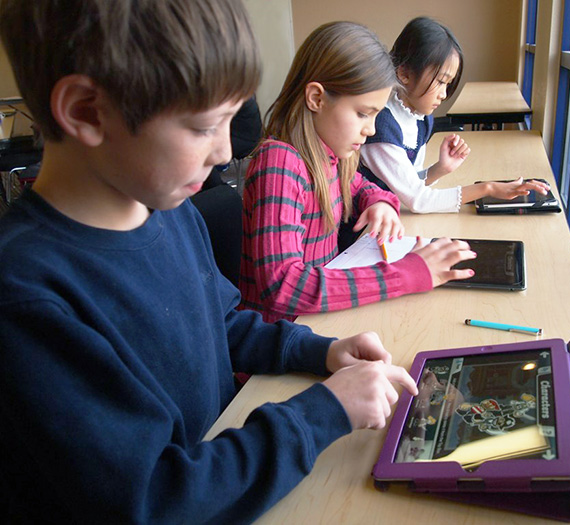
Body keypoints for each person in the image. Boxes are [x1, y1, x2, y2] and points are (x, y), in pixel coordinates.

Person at [0, 1, 419, 522]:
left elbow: (222, 323)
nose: (225, 153)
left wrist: (321, 352)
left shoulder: (169, 212)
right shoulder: (27, 298)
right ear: (87, 111)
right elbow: (153, 498)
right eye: (203, 126)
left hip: (227, 460)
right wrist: (323, 414)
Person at [239, 21, 476, 323]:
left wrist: (378, 201)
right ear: (317, 99)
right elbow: (283, 285)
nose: (372, 129)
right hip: (280, 338)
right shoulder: (280, 164)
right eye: (363, 113)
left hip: (316, 321)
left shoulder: (327, 154)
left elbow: (360, 185)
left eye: (376, 114)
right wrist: (405, 274)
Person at [359, 17, 549, 214]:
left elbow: (408, 185)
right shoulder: (381, 126)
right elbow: (418, 200)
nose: (443, 94)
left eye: (448, 84)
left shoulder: (421, 119)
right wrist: (488, 188)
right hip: (362, 230)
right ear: (404, 73)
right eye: (440, 81)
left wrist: (440, 169)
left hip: (388, 218)